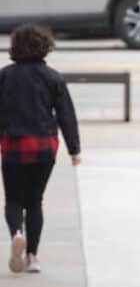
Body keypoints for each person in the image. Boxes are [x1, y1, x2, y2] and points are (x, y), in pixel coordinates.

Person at [0, 24, 81, 274]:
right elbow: (66, 114)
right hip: (44, 146)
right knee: (35, 201)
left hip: (13, 145)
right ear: (45, 48)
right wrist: (74, 149)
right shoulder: (53, 77)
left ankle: (16, 233)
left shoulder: (4, 76)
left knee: (13, 199)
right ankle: (32, 257)